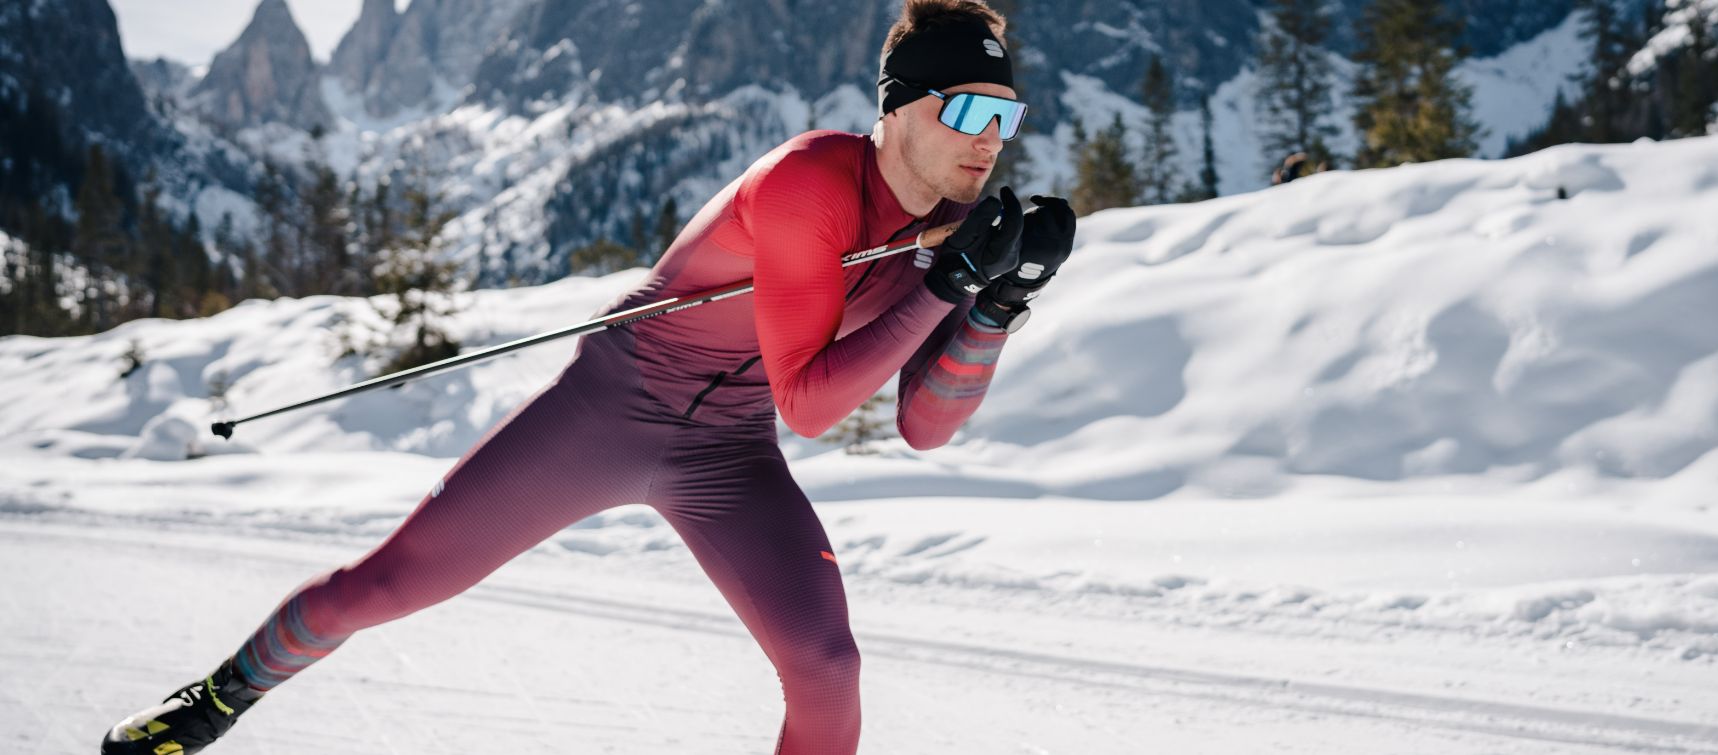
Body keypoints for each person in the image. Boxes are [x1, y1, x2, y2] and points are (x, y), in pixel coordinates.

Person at [98, 1, 1076, 753]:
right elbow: (812, 403)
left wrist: (991, 307)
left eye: (1008, 110)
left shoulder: (944, 233)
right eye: (969, 108)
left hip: (727, 450)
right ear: (900, 110)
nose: (992, 135)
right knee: (387, 584)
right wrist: (946, 283)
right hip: (610, 408)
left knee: (827, 664)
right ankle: (215, 697)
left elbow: (923, 425)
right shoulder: (810, 184)